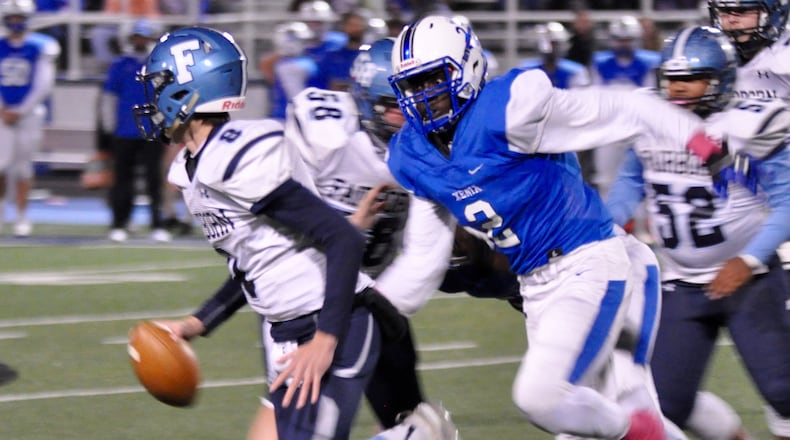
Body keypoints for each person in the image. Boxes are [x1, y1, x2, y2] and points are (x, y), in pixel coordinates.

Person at [385, 14, 736, 439]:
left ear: (468, 66)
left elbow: (627, 107)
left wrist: (698, 139)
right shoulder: (411, 155)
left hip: (588, 260)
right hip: (536, 287)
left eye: (433, 79)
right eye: (412, 85)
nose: (424, 95)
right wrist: (360, 309)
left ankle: (635, 429)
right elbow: (421, 263)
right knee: (580, 413)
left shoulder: (511, 109)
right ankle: (640, 428)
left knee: (543, 398)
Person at [135, 27, 452, 440]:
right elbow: (258, 262)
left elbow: (341, 238)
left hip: (332, 321)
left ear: (188, 90)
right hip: (286, 326)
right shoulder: (193, 168)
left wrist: (325, 339)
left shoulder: (236, 154)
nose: (151, 100)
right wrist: (198, 323)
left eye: (159, 86)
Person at [607, 25, 790, 440]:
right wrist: (605, 224)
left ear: (720, 79)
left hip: (750, 280)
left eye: (690, 79)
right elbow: (630, 184)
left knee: (783, 390)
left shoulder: (752, 123)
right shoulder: (650, 120)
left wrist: (748, 260)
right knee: (666, 404)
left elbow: (787, 202)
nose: (678, 89)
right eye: (672, 79)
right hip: (682, 283)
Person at [102, 19, 170, 243]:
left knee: (154, 180)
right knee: (123, 180)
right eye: (136, 36)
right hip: (125, 130)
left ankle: (157, 224)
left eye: (144, 36)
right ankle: (121, 222)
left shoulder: (160, 65)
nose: (140, 41)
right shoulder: (120, 64)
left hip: (153, 130)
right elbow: (109, 97)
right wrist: (108, 126)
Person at [0, 0, 59, 237]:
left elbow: (43, 85)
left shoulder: (41, 45)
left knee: (23, 168)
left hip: (29, 114)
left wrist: (21, 110)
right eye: (12, 17)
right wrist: (3, 109)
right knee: (1, 166)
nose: (16, 22)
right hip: (2, 114)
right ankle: (2, 212)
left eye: (19, 17)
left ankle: (22, 216)